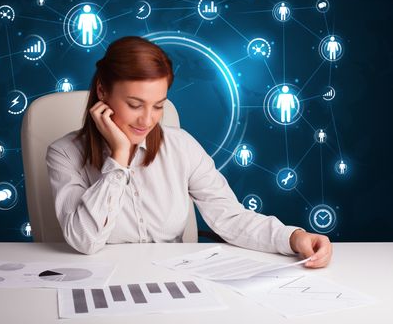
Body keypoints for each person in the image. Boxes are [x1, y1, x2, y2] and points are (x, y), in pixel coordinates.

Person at [46, 36, 332, 268]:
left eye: (158, 105)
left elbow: (230, 218)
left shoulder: (180, 145)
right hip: (103, 282)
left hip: (173, 283)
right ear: (102, 91)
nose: (147, 120)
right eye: (135, 104)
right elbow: (85, 241)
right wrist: (119, 157)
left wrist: (294, 237)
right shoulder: (64, 154)